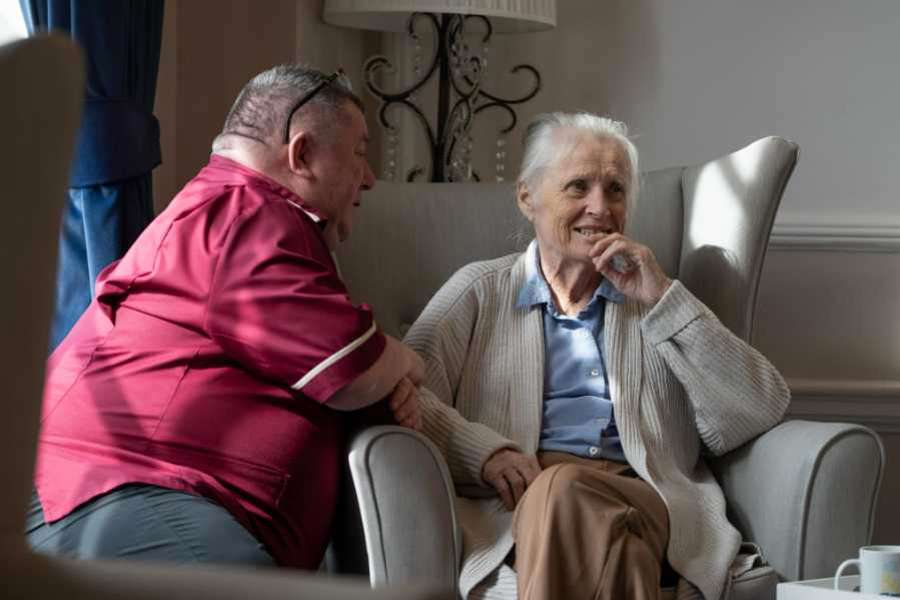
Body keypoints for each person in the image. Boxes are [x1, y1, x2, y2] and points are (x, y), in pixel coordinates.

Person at [28, 65, 424, 570]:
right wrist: (406, 361)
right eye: (361, 153)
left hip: (139, 497)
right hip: (132, 494)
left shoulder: (235, 209)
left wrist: (382, 385)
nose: (369, 178)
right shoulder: (245, 214)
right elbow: (352, 370)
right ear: (301, 154)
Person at [405, 112, 791, 600]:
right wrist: (484, 452)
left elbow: (759, 408)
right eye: (578, 187)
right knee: (611, 546)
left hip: (648, 496)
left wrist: (663, 299)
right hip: (525, 502)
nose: (599, 207)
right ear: (528, 197)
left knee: (562, 489)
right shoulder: (477, 293)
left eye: (615, 190)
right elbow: (407, 394)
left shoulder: (659, 301)